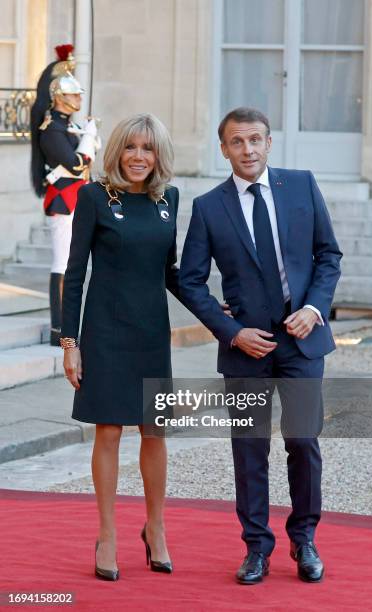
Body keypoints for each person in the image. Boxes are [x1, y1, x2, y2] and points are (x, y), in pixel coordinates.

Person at [179, 107, 342, 585]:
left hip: (302, 343)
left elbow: (327, 255)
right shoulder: (209, 206)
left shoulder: (302, 185)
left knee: (302, 441)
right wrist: (230, 331)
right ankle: (256, 548)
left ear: (269, 143)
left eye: (255, 140)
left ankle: (304, 538)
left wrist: (313, 309)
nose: (247, 150)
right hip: (245, 349)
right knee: (249, 448)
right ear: (223, 148)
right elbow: (190, 281)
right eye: (236, 142)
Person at [60, 114, 182, 580]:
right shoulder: (93, 197)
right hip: (106, 332)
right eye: (131, 147)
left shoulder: (167, 200)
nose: (138, 157)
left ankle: (156, 529)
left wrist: (217, 312)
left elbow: (170, 273)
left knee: (155, 431)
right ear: (118, 151)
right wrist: (70, 343)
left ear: (158, 156)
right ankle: (107, 535)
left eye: (148, 149)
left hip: (152, 331)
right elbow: (74, 276)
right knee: (108, 430)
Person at [30, 44, 100, 346]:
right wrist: (88, 139)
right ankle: (59, 329)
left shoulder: (69, 126)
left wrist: (86, 136)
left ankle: (69, 326)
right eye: (74, 95)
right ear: (59, 97)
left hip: (78, 198)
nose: (79, 99)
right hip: (64, 199)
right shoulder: (52, 129)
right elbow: (75, 163)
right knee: (62, 262)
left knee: (75, 262)